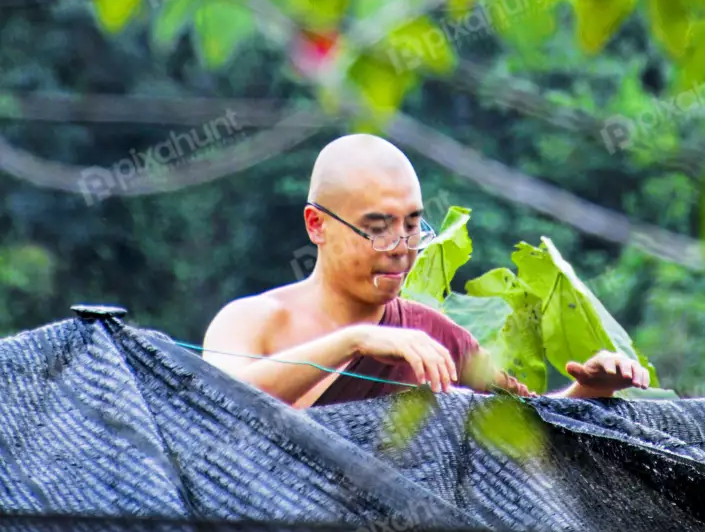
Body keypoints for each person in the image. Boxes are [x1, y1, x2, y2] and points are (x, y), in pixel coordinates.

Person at [203, 134, 650, 408]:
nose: (402, 249)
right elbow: (212, 404)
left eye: (414, 226)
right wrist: (354, 341)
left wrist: (589, 392)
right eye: (378, 229)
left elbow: (530, 428)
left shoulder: (434, 337)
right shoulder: (253, 322)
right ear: (317, 225)